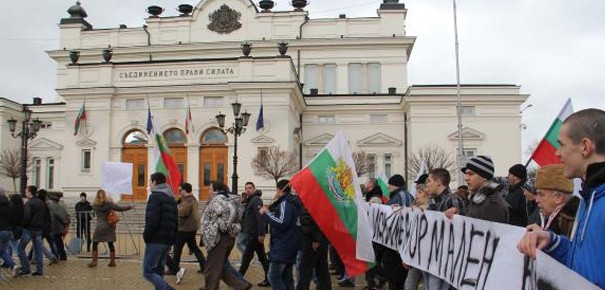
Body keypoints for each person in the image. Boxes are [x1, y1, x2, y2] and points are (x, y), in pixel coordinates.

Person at [518, 108, 605, 288]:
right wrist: (552, 241)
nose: (557, 153)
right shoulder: (588, 199)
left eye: (562, 145)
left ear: (585, 147)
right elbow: (583, 262)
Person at [200, 180, 251, 290]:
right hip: (225, 238)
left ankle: (211, 288)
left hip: (218, 238)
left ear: (215, 190)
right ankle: (241, 285)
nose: (208, 191)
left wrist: (214, 227)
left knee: (211, 269)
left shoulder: (219, 201)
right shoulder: (231, 199)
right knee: (220, 267)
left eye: (210, 188)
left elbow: (225, 222)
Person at [423, 168, 466, 290]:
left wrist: (456, 213)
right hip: (433, 258)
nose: (427, 185)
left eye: (429, 181)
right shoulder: (435, 203)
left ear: (438, 182)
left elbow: (457, 229)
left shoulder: (452, 200)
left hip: (445, 262)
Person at [260, 179, 302, 290]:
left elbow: (283, 223)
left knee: (273, 277)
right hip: (290, 244)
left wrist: (266, 214)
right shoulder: (292, 202)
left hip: (283, 245)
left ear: (279, 190)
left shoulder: (285, 203)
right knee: (286, 277)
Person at [142, 172, 179, 290]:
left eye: (149, 182)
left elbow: (152, 219)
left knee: (148, 272)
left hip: (156, 239)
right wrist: (172, 239)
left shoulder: (155, 197)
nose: (149, 184)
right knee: (158, 271)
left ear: (154, 182)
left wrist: (146, 236)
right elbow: (175, 220)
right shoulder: (171, 198)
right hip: (167, 240)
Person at [529, 164, 580, 237]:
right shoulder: (545, 215)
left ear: (558, 197)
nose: (536, 200)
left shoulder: (573, 223)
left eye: (541, 194)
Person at [88, 189, 134, 267]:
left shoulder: (95, 205)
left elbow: (90, 210)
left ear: (97, 196)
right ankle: (112, 262)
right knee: (110, 243)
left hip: (99, 226)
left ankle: (94, 261)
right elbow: (120, 208)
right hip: (109, 225)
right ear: (105, 195)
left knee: (95, 243)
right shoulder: (109, 204)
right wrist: (130, 207)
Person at [171, 182, 206, 284]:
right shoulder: (187, 199)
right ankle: (203, 265)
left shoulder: (189, 200)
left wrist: (176, 206)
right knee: (194, 247)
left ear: (185, 190)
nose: (179, 192)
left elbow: (183, 212)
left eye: (180, 190)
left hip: (184, 229)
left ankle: (174, 268)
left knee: (177, 249)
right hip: (189, 228)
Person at [239, 182, 270, 287]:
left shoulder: (256, 200)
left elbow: (259, 217)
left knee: (247, 257)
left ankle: (238, 279)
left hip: (255, 234)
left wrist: (261, 233)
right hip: (252, 233)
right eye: (246, 188)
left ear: (254, 188)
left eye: (250, 188)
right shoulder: (250, 200)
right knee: (262, 258)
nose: (248, 190)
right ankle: (269, 278)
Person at [462, 156, 509, 223]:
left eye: (470, 174)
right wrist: (458, 215)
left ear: (485, 176)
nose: (466, 178)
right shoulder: (478, 199)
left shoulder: (493, 204)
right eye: (466, 174)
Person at [297, 206, 331, 290]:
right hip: (321, 240)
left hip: (312, 242)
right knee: (322, 270)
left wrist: (316, 239)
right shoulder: (323, 203)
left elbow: (309, 221)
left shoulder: (310, 202)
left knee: (305, 271)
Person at [17, 185, 46, 276]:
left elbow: (26, 217)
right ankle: (39, 269)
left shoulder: (30, 203)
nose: (25, 193)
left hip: (29, 229)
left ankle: (26, 267)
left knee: (20, 248)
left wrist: (23, 226)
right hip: (38, 229)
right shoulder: (41, 203)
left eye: (26, 191)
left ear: (30, 192)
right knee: (38, 250)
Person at [0, 187, 21, 279]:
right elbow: (14, 219)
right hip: (8, 231)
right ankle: (13, 266)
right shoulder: (10, 205)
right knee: (2, 251)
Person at [48, 191, 70, 261]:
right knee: (59, 242)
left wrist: (65, 222)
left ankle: (58, 256)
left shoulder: (53, 207)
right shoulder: (58, 206)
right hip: (58, 227)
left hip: (55, 228)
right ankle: (62, 256)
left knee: (56, 242)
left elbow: (61, 216)